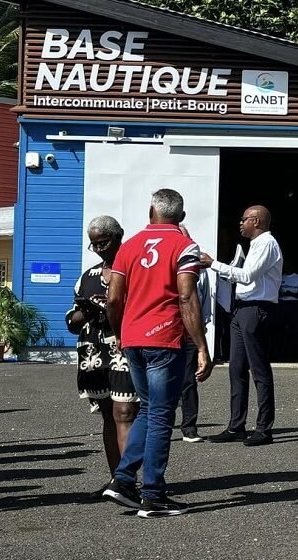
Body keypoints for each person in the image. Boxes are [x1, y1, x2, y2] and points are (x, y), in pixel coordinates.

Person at [103, 189, 213, 518]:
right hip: (164, 337)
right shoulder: (184, 246)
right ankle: (153, 494)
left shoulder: (130, 246)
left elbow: (113, 298)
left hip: (133, 337)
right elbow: (186, 297)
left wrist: (121, 332)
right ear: (181, 216)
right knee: (162, 414)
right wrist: (203, 345)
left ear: (151, 210)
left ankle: (123, 480)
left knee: (148, 409)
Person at [67, 216, 140, 498]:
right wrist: (85, 312)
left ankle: (127, 480)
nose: (98, 249)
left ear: (119, 236)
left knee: (126, 412)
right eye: (94, 244)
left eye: (104, 242)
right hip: (94, 353)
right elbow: (71, 319)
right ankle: (116, 479)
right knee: (109, 415)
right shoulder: (88, 277)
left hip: (123, 348)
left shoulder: (134, 272)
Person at [201, 205, 283, 446]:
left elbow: (247, 276)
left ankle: (264, 428)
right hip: (242, 309)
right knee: (236, 368)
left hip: (256, 309)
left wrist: (213, 264)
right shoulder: (255, 245)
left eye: (244, 219)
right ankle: (237, 425)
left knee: (259, 369)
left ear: (256, 221)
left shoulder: (267, 244)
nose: (240, 223)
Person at [177, 224, 211, 443]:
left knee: (189, 380)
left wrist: (203, 326)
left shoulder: (199, 269)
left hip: (190, 331)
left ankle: (189, 426)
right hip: (167, 330)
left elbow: (204, 298)